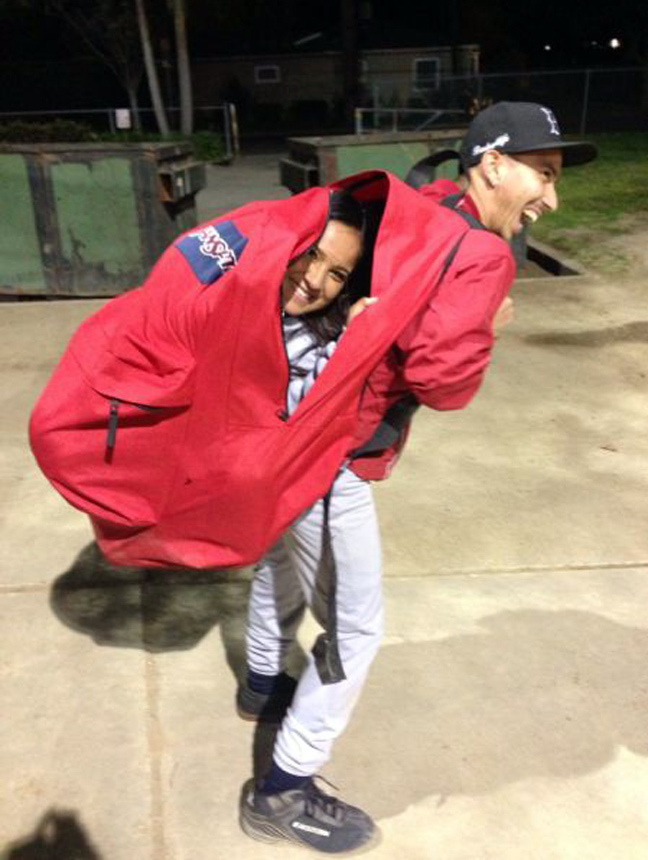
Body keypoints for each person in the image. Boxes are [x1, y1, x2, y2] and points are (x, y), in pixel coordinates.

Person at [236, 101, 597, 854]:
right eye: (544, 174)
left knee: (282, 558)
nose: (551, 198)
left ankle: (263, 680)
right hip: (331, 453)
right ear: (492, 165)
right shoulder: (484, 255)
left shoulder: (427, 204)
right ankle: (282, 789)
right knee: (356, 628)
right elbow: (442, 383)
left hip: (286, 419)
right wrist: (486, 326)